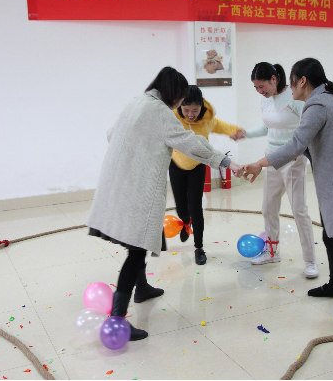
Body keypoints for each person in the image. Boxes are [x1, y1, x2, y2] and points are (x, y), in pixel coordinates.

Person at [87, 67, 243, 341]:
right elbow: (189, 143)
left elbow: (112, 134)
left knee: (137, 241)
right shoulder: (160, 112)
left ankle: (143, 288)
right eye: (180, 99)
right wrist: (225, 161)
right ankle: (117, 317)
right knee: (136, 251)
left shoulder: (136, 102)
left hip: (115, 184)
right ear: (173, 93)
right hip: (136, 189)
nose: (181, 105)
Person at [242, 58, 333, 331]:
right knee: (331, 236)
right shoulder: (324, 100)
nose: (289, 86)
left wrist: (260, 163)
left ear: (303, 81)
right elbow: (308, 143)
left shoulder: (317, 105)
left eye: (292, 81)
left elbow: (295, 143)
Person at [232, 62, 318, 278]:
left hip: (293, 158)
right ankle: (272, 252)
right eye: (256, 88)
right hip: (271, 158)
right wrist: (246, 133)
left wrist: (301, 149)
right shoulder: (266, 99)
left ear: (273, 79)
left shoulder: (294, 97)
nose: (260, 91)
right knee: (268, 207)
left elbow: (307, 127)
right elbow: (268, 127)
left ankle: (310, 261)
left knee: (299, 210)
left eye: (262, 86)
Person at [170, 85, 243, 265]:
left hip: (198, 166)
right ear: (180, 106)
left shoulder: (206, 120)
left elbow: (220, 125)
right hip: (177, 165)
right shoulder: (172, 117)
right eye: (186, 110)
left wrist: (234, 130)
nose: (191, 114)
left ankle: (199, 248)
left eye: (195, 110)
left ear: (201, 107)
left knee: (196, 207)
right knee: (182, 209)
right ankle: (185, 222)